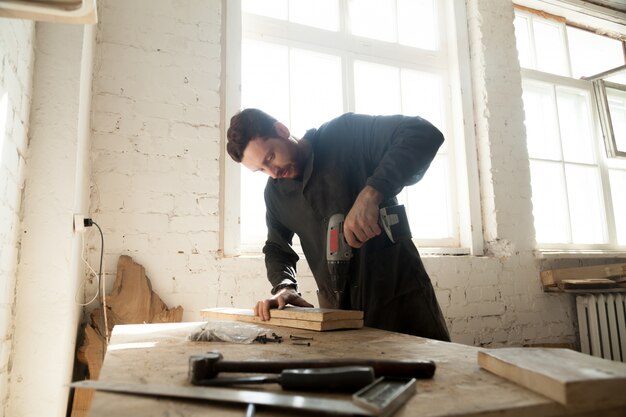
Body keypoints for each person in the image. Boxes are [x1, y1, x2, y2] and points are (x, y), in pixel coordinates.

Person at [226, 109, 450, 341]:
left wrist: (372, 192)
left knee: (435, 374)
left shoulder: (344, 134)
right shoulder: (275, 194)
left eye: (270, 157)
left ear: (282, 130)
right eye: (261, 170)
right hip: (338, 317)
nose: (272, 173)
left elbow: (422, 132)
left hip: (401, 302)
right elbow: (276, 248)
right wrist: (285, 287)